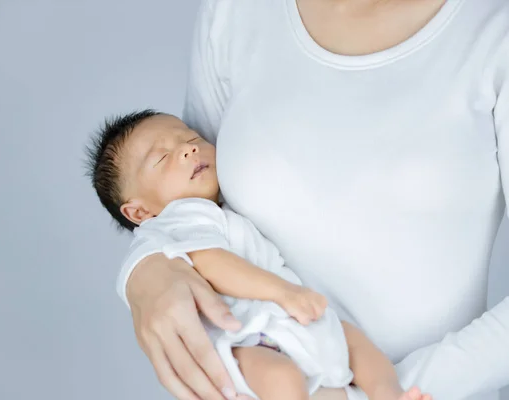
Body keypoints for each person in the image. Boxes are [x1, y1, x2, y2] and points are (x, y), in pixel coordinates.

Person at [116, 0, 509, 399]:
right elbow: (188, 199)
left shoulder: (495, 29)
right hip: (276, 362)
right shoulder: (234, 11)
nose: (186, 149)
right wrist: (145, 269)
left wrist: (371, 394)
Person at [86, 110, 434, 400]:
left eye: (191, 139)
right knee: (282, 380)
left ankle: (390, 394)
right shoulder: (178, 219)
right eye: (162, 157)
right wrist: (284, 293)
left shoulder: (223, 207)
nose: (188, 150)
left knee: (355, 344)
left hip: (285, 323)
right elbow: (211, 262)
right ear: (139, 213)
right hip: (247, 338)